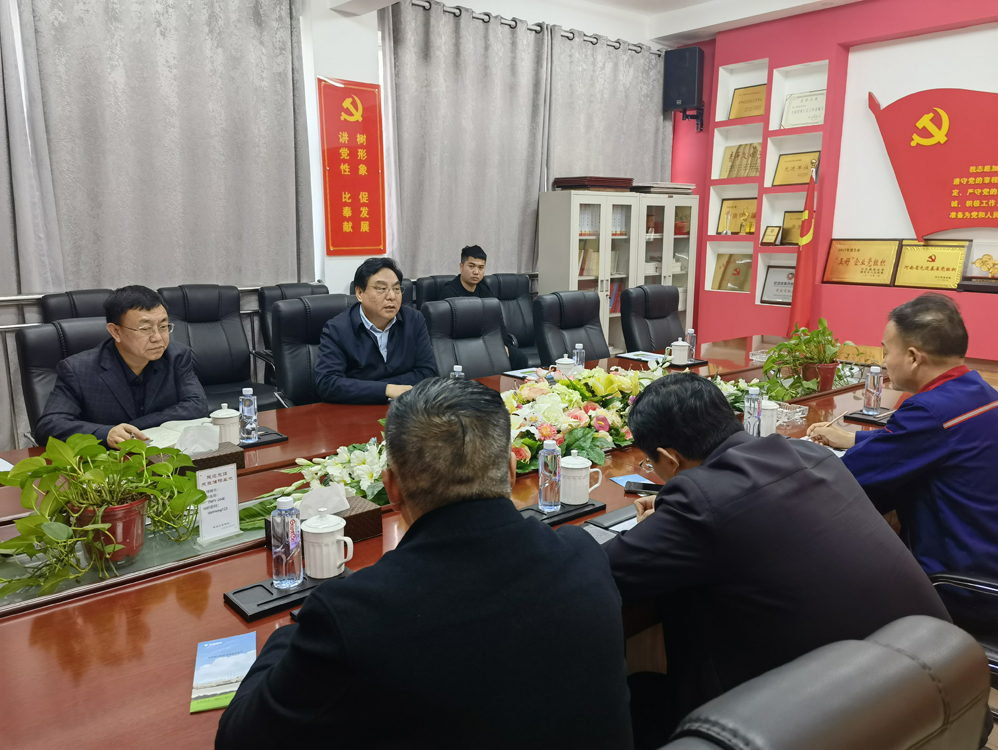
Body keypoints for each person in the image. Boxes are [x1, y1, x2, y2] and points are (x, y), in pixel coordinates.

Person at [216, 378, 633, 749]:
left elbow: (238, 739)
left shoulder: (353, 615)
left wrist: (289, 635)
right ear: (511, 470)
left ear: (391, 488)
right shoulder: (583, 554)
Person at [604, 373, 950, 749]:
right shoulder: (811, 455)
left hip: (839, 726)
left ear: (670, 458)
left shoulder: (699, 504)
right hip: (943, 689)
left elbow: (604, 571)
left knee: (637, 698)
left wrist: (658, 528)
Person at [808, 293, 998, 580]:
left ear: (912, 357)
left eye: (886, 352)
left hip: (958, 580)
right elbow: (920, 442)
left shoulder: (928, 411)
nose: (884, 362)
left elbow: (850, 474)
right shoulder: (981, 391)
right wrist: (852, 439)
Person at [35, 285, 208, 448]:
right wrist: (106, 433)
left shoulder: (176, 356)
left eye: (163, 326)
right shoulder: (78, 369)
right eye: (145, 329)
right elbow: (49, 425)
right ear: (116, 331)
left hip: (164, 456)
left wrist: (132, 427)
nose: (157, 338)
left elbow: (196, 405)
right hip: (109, 462)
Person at [315, 257, 436, 404]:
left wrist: (373, 387)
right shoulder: (337, 329)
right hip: (358, 410)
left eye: (396, 289)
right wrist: (386, 390)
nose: (391, 296)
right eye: (381, 289)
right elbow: (327, 383)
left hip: (405, 408)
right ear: (360, 293)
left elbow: (427, 372)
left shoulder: (414, 320)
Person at [440, 245, 520, 366]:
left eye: (481, 267)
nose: (476, 272)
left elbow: (497, 321)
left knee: (519, 358)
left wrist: (503, 345)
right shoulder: (450, 292)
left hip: (486, 342)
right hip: (462, 346)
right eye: (471, 266)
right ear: (461, 267)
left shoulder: (484, 290)